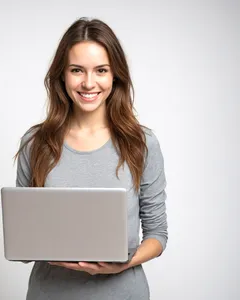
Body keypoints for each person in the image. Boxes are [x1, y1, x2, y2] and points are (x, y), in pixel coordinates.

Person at [15, 17, 168, 300]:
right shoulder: (35, 143)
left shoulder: (142, 143)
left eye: (101, 70)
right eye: (77, 70)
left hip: (123, 293)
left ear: (115, 76)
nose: (88, 83)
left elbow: (158, 235)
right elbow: (23, 240)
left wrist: (121, 264)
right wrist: (29, 245)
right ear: (62, 75)